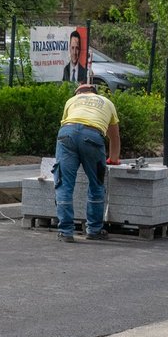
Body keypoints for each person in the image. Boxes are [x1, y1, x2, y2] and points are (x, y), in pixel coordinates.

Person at [54, 82, 121, 242]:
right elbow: (114, 136)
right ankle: (94, 230)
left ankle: (65, 232)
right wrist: (113, 158)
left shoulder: (71, 101)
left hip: (66, 136)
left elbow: (68, 125)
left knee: (64, 184)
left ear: (81, 93)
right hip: (92, 135)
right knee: (96, 184)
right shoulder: (107, 102)